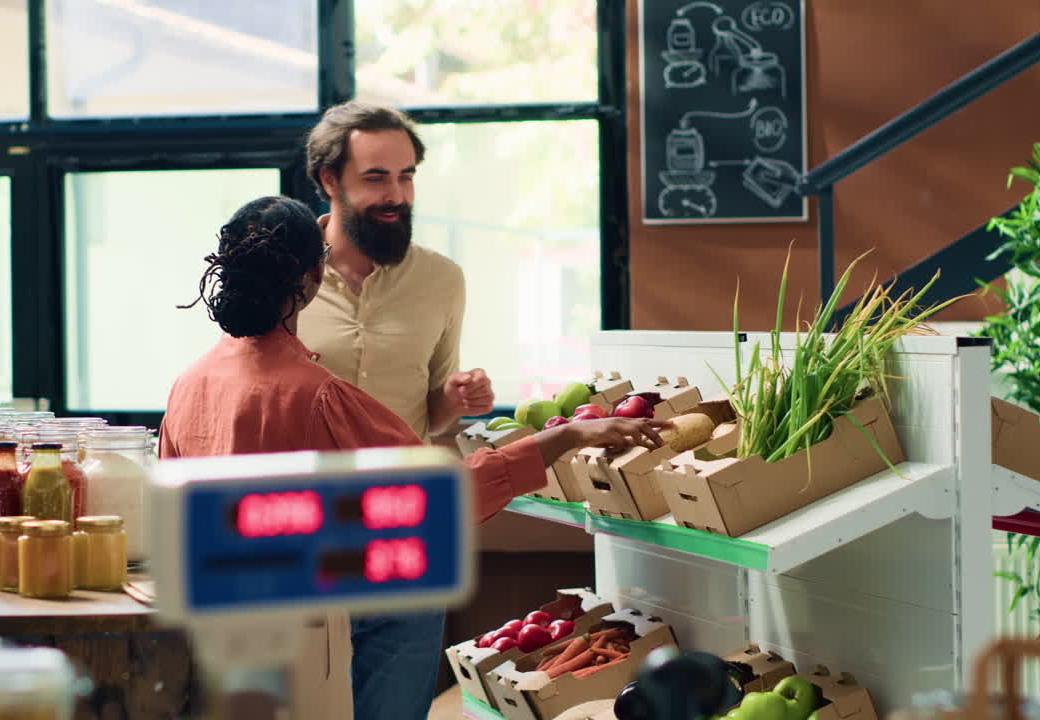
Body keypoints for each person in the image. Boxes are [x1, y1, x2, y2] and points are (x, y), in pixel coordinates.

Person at [160, 196, 666, 719]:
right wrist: (569, 436)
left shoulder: (188, 384)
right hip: (306, 626)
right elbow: (442, 499)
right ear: (314, 275)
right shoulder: (320, 396)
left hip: (220, 627)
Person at [299, 100, 494, 720]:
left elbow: (432, 414)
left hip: (405, 527)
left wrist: (456, 401)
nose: (396, 195)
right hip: (302, 529)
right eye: (376, 177)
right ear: (330, 180)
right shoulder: (283, 274)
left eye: (406, 176)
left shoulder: (442, 280)